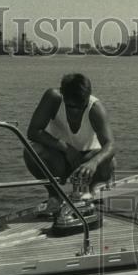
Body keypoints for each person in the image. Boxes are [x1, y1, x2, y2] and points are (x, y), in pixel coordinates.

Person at [24, 73, 116, 214]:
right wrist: (66, 148)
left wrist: (94, 162)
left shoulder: (96, 109)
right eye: (72, 106)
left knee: (109, 162)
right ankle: (55, 196)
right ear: (62, 94)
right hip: (59, 157)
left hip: (86, 160)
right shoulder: (53, 98)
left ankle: (88, 191)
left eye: (82, 106)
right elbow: (33, 132)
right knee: (31, 151)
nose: (77, 111)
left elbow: (111, 145)